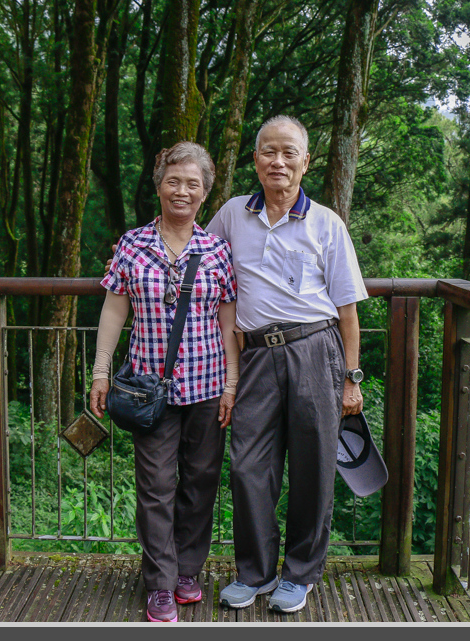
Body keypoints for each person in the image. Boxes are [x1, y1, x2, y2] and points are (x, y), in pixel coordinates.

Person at [206, 115, 368, 614]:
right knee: (248, 466)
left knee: (314, 466)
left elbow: (347, 310)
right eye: (268, 152)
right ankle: (253, 572)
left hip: (316, 351)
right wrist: (129, 259)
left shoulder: (326, 223)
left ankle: (299, 574)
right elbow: (194, 252)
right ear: (255, 160)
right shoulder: (233, 214)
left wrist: (350, 378)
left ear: (305, 162)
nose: (278, 161)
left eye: (288, 153)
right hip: (254, 354)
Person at [89, 141, 240, 623]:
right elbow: (115, 308)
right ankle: (159, 583)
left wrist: (231, 383)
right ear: (158, 185)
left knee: (200, 481)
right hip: (147, 390)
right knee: (155, 486)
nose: (182, 191)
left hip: (207, 386)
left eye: (192, 184)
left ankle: (188, 572)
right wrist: (101, 369)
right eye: (173, 181)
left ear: (204, 194)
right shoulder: (133, 244)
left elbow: (228, 321)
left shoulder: (216, 250)